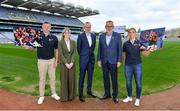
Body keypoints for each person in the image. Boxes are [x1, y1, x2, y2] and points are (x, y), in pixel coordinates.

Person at [23, 22, 60, 104]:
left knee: (52, 78)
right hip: (41, 61)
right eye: (45, 26)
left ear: (50, 28)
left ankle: (53, 93)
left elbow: (57, 50)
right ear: (42, 28)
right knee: (42, 79)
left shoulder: (54, 37)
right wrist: (28, 47)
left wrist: (56, 61)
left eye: (48, 26)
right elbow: (33, 48)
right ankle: (41, 96)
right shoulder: (38, 37)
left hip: (51, 61)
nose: (47, 28)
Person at [97, 20, 122, 103]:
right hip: (104, 61)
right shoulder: (101, 36)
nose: (109, 27)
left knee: (114, 79)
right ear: (105, 27)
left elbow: (120, 49)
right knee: (106, 79)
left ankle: (115, 96)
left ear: (113, 27)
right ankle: (107, 94)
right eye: (107, 26)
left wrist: (119, 60)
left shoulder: (117, 36)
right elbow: (99, 49)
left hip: (114, 61)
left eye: (110, 26)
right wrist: (99, 59)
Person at [122, 28, 144, 106]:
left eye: (133, 32)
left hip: (138, 65)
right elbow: (124, 54)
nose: (131, 34)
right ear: (128, 34)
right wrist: (124, 64)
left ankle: (138, 99)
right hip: (128, 66)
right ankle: (129, 96)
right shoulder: (125, 43)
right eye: (130, 32)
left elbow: (145, 54)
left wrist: (150, 50)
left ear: (135, 33)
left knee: (138, 83)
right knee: (128, 83)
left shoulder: (139, 43)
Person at [77, 22, 97, 102]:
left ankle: (89, 91)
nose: (88, 28)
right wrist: (83, 56)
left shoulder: (93, 36)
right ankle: (80, 94)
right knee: (81, 77)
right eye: (86, 27)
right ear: (84, 28)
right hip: (83, 60)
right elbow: (79, 48)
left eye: (89, 27)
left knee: (90, 76)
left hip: (91, 60)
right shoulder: (80, 36)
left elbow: (93, 47)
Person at [58, 27, 76, 101]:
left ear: (70, 34)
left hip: (72, 64)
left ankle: (71, 96)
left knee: (71, 80)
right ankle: (64, 97)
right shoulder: (60, 42)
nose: (67, 34)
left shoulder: (73, 42)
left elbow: (74, 53)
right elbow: (61, 54)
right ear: (63, 34)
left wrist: (71, 62)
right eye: (65, 33)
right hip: (63, 64)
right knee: (64, 80)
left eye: (68, 33)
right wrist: (66, 63)